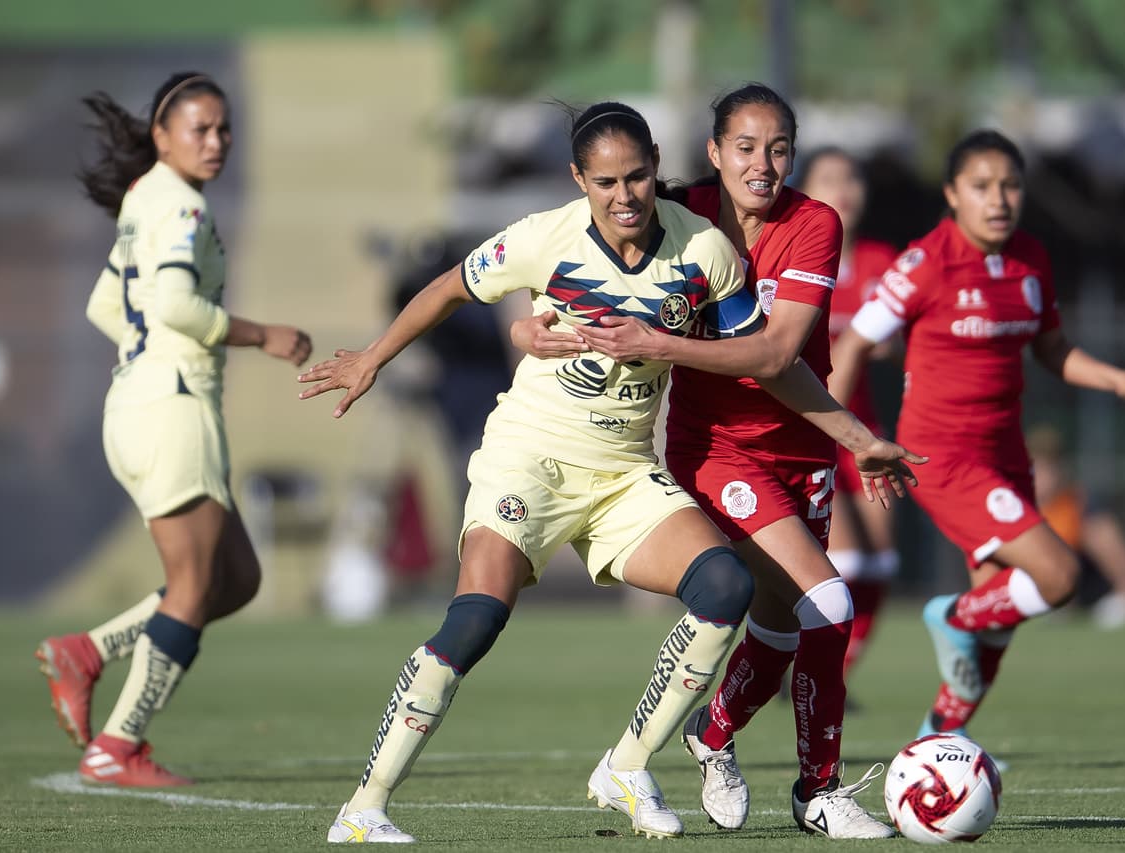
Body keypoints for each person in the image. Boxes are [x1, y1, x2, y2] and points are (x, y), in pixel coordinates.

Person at [300, 101, 918, 843]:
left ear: (658, 165)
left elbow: (770, 363)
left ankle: (626, 765)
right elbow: (450, 287)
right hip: (529, 459)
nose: (624, 196)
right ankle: (364, 807)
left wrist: (854, 436)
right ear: (577, 179)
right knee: (476, 618)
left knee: (726, 586)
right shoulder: (545, 236)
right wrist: (374, 356)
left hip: (625, 470)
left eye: (636, 177)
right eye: (604, 182)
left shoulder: (705, 250)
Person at [512, 85, 917, 839]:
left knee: (781, 628)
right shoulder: (674, 211)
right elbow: (572, 246)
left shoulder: (813, 223)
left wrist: (859, 442)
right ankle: (818, 793)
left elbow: (776, 354)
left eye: (778, 148)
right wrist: (526, 325)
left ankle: (713, 734)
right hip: (716, 450)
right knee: (828, 603)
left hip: (803, 450)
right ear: (713, 153)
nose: (762, 164)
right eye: (745, 147)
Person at [828, 129, 1125, 745]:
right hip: (945, 458)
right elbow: (851, 345)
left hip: (1006, 456)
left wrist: (1114, 378)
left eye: (1010, 185)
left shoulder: (1030, 258)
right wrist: (851, 439)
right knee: (1056, 577)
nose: (999, 198)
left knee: (999, 625)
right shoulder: (928, 262)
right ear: (954, 194)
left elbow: (1052, 350)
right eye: (982, 186)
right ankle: (948, 615)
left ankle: (934, 748)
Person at [35, 72, 312, 786]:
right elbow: (179, 307)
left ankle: (87, 650)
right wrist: (263, 334)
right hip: (173, 403)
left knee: (237, 578)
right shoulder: (181, 205)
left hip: (141, 402)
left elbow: (106, 302)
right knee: (192, 585)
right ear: (161, 136)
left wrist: (143, 359)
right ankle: (118, 745)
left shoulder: (144, 198)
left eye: (224, 130)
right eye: (200, 129)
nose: (216, 141)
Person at [798, 146, 901, 686]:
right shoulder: (791, 256)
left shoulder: (881, 260)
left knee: (882, 563)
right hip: (809, 425)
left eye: (854, 176)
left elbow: (894, 339)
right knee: (847, 561)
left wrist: (869, 340)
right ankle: (807, 667)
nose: (846, 188)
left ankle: (836, 669)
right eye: (831, 177)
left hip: (862, 426)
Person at [1027, 424, 1125, 628]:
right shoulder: (1019, 507)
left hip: (1087, 586)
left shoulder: (1077, 503)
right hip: (1045, 591)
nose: (1042, 478)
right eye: (1035, 468)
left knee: (1099, 529)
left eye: (1048, 469)